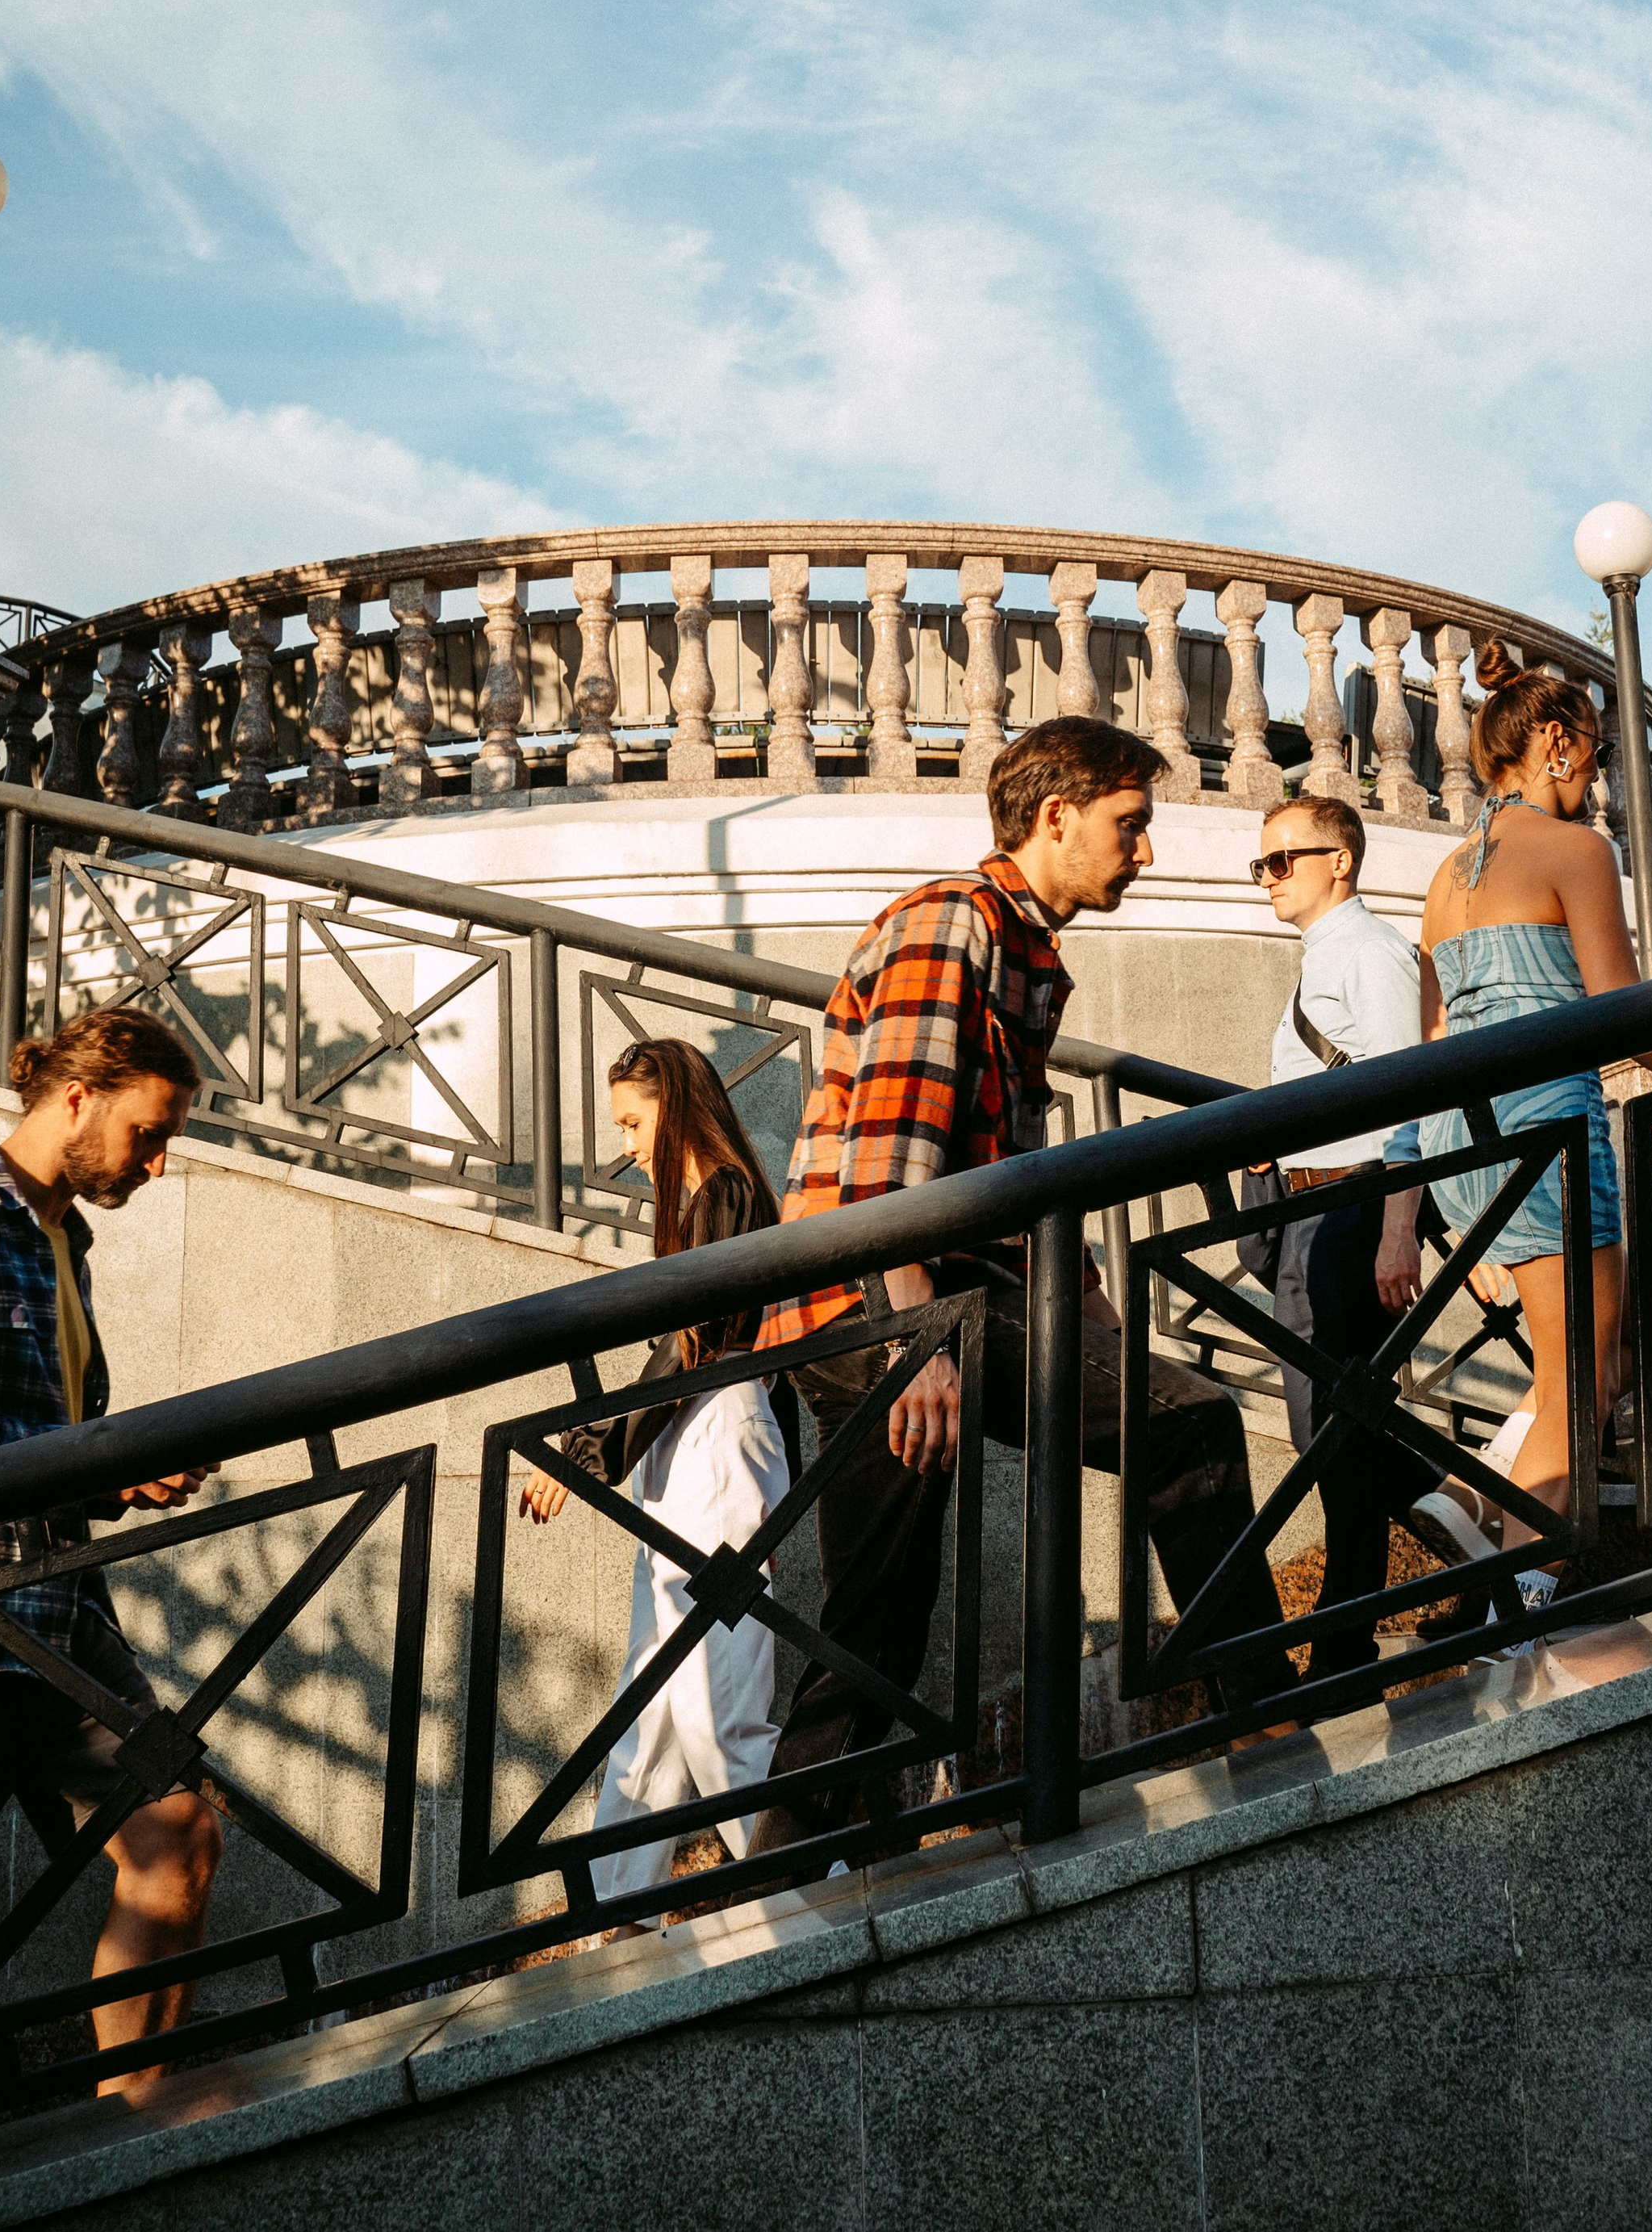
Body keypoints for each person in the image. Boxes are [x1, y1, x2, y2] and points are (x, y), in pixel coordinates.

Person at [744, 714, 1287, 1858]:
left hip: (881, 1304)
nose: (1146, 852)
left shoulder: (1021, 952)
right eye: (1131, 826)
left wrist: (1089, 1306)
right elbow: (893, 1165)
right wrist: (919, 1342)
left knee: (879, 1610)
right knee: (1187, 1423)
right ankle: (1266, 1725)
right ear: (1057, 817)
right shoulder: (952, 925)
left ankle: (803, 1849)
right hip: (880, 1303)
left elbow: (1013, 1176)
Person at [1382, 664, 1652, 1630]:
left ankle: (1479, 1484)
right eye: (1590, 759)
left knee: (1643, 1329)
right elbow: (1622, 1012)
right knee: (1576, 1389)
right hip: (1547, 1123)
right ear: (1555, 744)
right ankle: (1520, 1612)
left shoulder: (1445, 878)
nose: (1594, 781)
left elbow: (1430, 1039)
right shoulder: (1573, 848)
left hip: (1472, 1133)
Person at [0, 1005, 220, 2088]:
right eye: (151, 1131)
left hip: (57, 1615)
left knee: (178, 1824)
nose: (161, 1161)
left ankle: (132, 2116)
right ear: (78, 1098)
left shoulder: (60, 1237)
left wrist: (119, 1470)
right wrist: (92, 1464)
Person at [519, 1038, 792, 1890]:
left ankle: (813, 1883)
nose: (629, 1145)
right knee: (653, 1704)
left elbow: (692, 1351)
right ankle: (615, 1912)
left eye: (635, 1122)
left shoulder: (730, 1194)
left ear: (676, 1103)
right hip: (691, 1453)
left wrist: (586, 1454)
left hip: (714, 1448)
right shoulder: (718, 1199)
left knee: (719, 1707)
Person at [1239, 796, 1429, 1678]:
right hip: (1311, 1210)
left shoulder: (1371, 953)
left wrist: (1398, 1231)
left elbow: (1409, 1097)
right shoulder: (1326, 956)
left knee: (1337, 1435)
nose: (1268, 876)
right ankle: (1452, 1494)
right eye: (1262, 863)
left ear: (1340, 861)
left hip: (1353, 1210)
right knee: (1332, 1432)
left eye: (1285, 858)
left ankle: (1343, 1645)